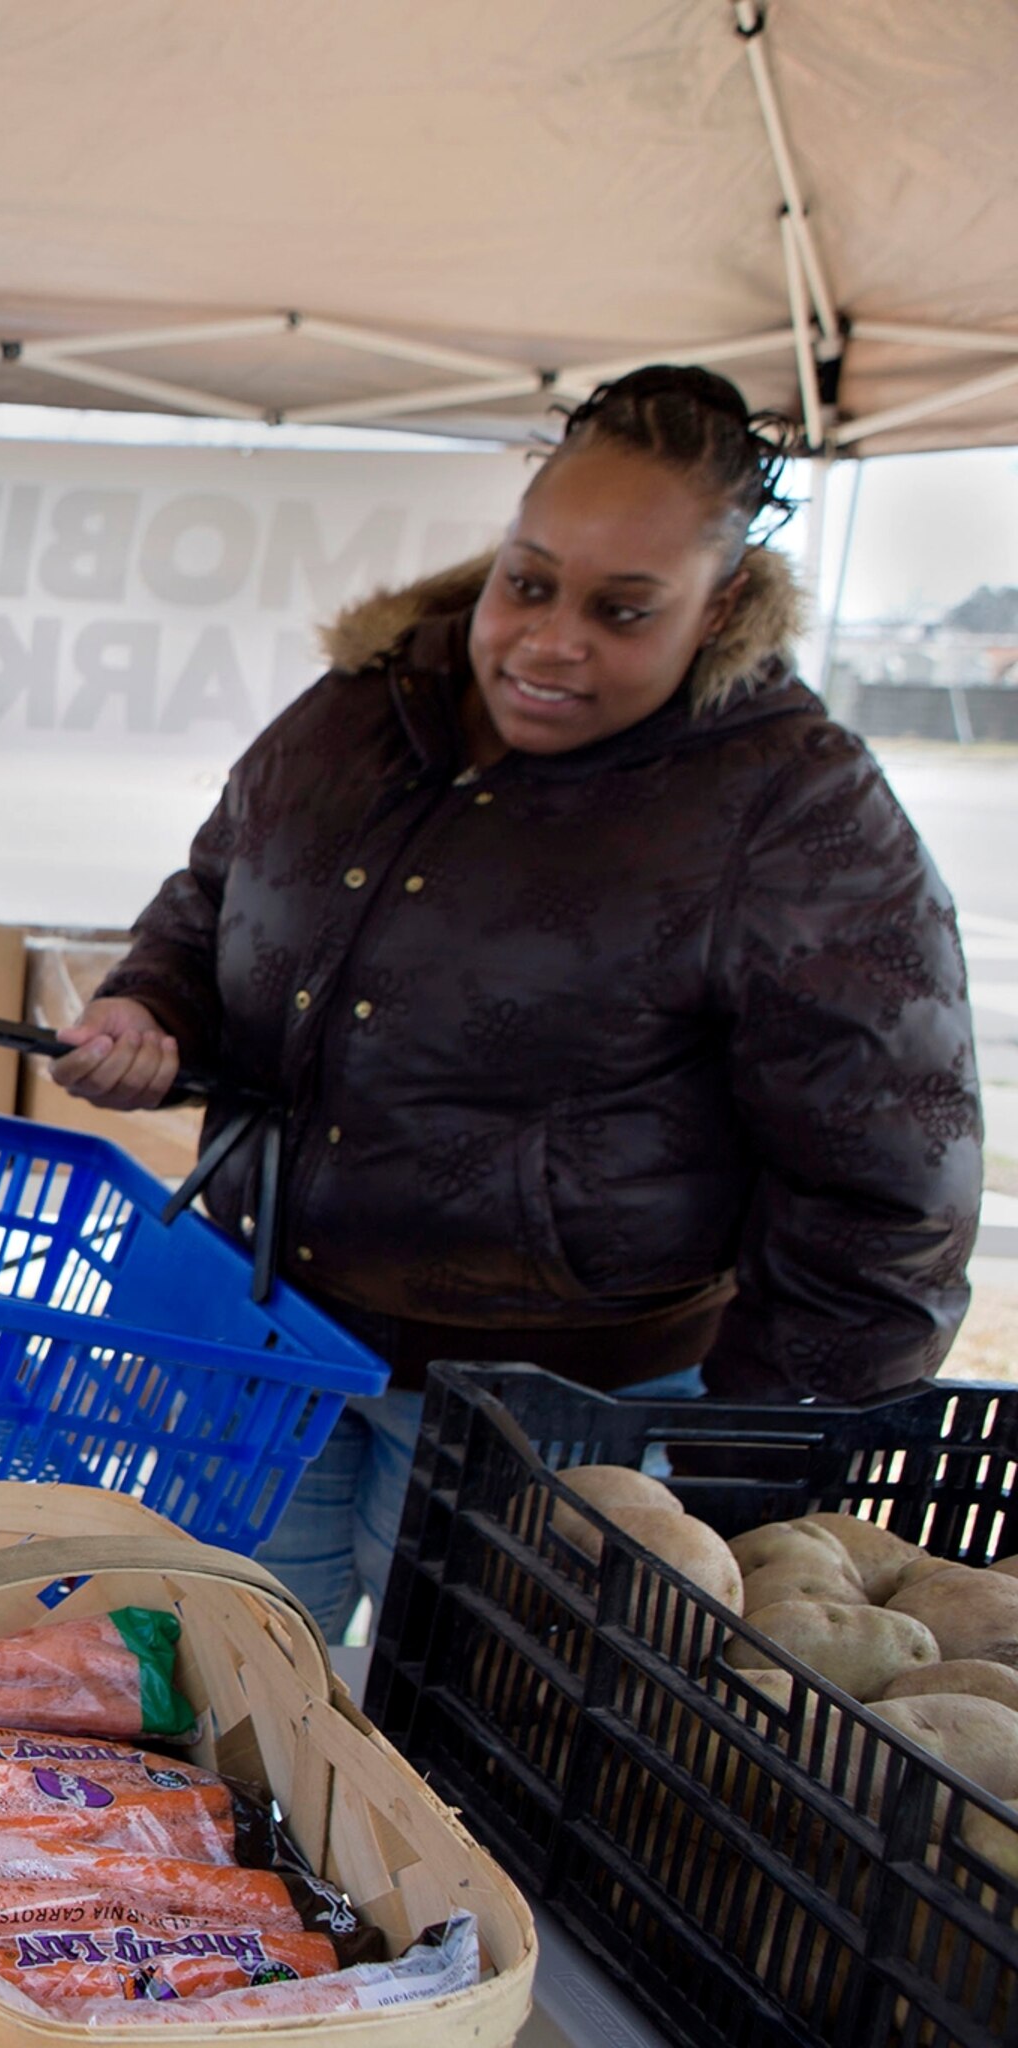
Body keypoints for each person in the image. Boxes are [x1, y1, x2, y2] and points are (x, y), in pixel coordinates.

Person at [53, 366, 981, 1638]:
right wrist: (156, 1001)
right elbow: (217, 891)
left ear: (719, 614)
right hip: (265, 1339)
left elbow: (890, 1183)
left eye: (624, 610)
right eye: (529, 582)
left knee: (461, 1783)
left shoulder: (796, 805)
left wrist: (744, 1480)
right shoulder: (362, 701)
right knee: (217, 1697)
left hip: (559, 1418)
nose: (551, 640)